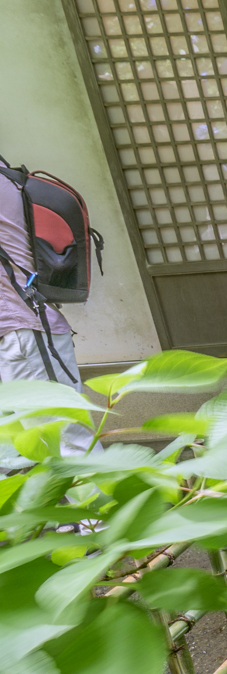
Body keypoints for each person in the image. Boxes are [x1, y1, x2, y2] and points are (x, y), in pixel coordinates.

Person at [0, 167, 91, 457]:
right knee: (17, 453)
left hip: (23, 336)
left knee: (65, 442)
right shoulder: (8, 181)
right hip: (17, 334)